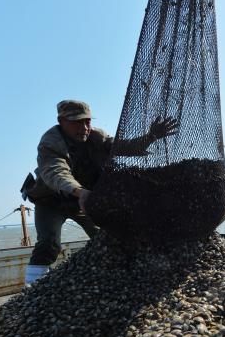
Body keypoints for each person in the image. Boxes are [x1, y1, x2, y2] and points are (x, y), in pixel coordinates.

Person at [22, 99, 177, 283]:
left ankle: (115, 279)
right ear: (61, 121)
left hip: (84, 200)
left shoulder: (97, 137)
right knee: (49, 243)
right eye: (76, 122)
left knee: (106, 238)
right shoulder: (50, 143)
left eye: (87, 121)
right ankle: (32, 288)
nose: (84, 128)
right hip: (51, 201)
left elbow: (123, 147)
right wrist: (80, 192)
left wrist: (150, 136)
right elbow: (56, 173)